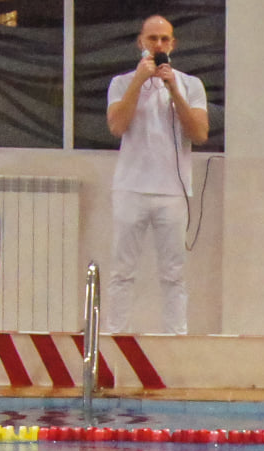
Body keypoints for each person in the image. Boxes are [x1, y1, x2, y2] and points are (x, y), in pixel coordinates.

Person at [105, 14, 209, 336]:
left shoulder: (190, 85)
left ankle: (176, 337)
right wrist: (139, 81)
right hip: (131, 188)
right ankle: (116, 335)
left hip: (172, 192)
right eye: (153, 39)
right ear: (141, 42)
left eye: (165, 39)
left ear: (173, 44)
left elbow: (199, 133)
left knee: (173, 273)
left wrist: (173, 90)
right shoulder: (121, 83)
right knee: (122, 271)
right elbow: (116, 126)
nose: (159, 45)